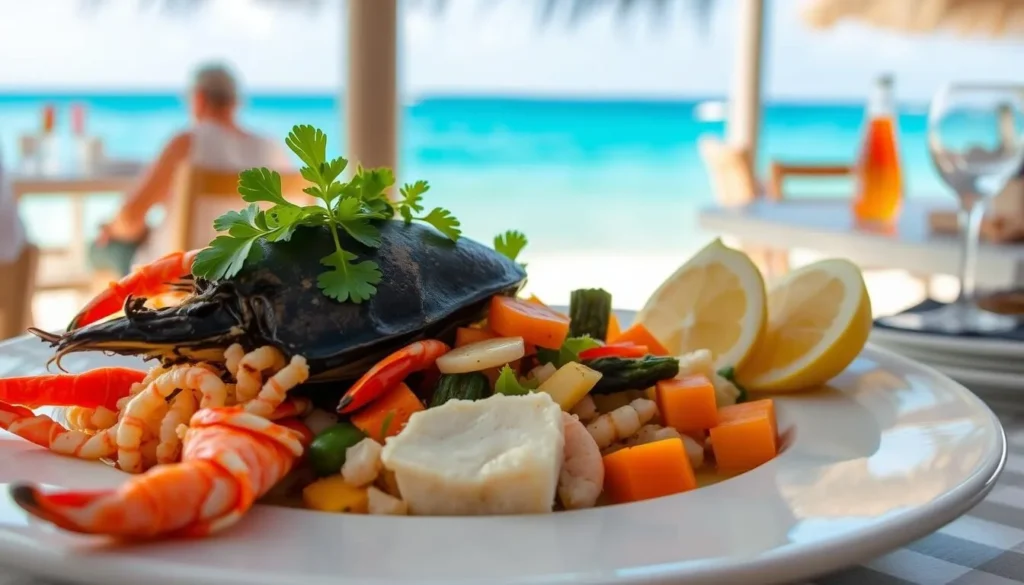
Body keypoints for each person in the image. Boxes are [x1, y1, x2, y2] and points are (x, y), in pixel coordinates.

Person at [93, 63, 292, 275]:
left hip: (182, 275)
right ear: (235, 101)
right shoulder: (273, 148)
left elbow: (130, 219)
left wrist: (111, 228)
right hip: (247, 275)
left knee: (101, 248)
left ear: (198, 98)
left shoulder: (188, 143)